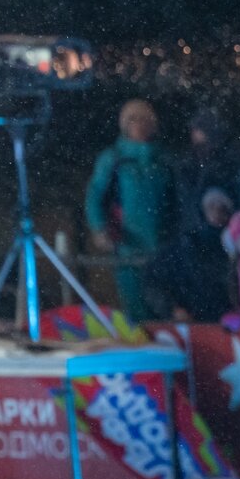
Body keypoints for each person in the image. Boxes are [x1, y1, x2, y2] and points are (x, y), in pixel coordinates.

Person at [84, 99, 178, 322]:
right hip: (128, 247)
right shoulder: (114, 159)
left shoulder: (164, 160)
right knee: (136, 309)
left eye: (144, 119)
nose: (139, 124)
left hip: (163, 247)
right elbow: (95, 195)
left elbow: (178, 200)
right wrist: (99, 228)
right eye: (133, 119)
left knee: (165, 307)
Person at [151, 188, 237, 322]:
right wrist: (171, 309)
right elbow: (153, 279)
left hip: (228, 324)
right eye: (211, 206)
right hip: (190, 323)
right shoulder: (185, 244)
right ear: (202, 209)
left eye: (223, 207)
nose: (217, 212)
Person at [176, 108, 240, 236]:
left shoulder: (234, 159)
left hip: (236, 231)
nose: (195, 135)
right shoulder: (188, 163)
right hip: (200, 233)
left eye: (199, 129)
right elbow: (187, 200)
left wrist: (233, 214)